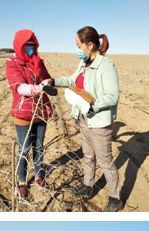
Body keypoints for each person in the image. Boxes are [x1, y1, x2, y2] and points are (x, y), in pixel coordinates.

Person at [48, 26, 122, 212]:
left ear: (90, 45)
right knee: (88, 155)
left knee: (105, 161)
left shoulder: (106, 65)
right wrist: (53, 81)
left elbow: (112, 96)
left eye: (79, 45)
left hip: (99, 122)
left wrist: (92, 106)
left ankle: (115, 198)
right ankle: (88, 187)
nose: (77, 49)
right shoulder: (84, 64)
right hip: (83, 119)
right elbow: (72, 81)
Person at [6, 29, 56, 200]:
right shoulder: (12, 63)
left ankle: (39, 174)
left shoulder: (38, 61)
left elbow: (48, 78)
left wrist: (47, 83)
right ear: (19, 46)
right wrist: (39, 88)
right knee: (24, 149)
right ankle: (21, 181)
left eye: (33, 46)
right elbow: (19, 87)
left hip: (40, 111)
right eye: (27, 46)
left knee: (39, 146)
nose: (31, 49)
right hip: (23, 112)